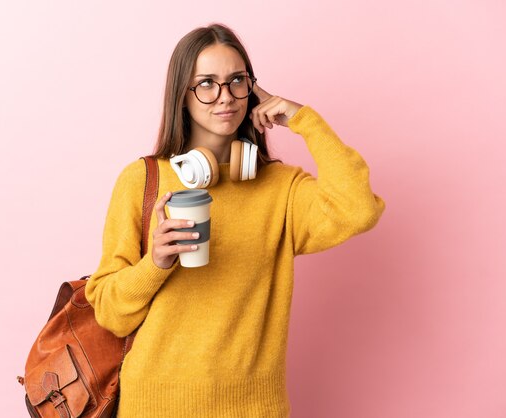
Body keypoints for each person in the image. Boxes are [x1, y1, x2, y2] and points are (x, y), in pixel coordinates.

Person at [85, 23, 385, 417]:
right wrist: (154, 263)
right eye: (206, 84)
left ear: (252, 88)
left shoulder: (281, 188)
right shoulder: (142, 180)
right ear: (182, 96)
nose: (224, 97)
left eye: (236, 81)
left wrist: (303, 119)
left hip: (254, 408)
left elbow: (358, 208)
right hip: (155, 405)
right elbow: (109, 313)